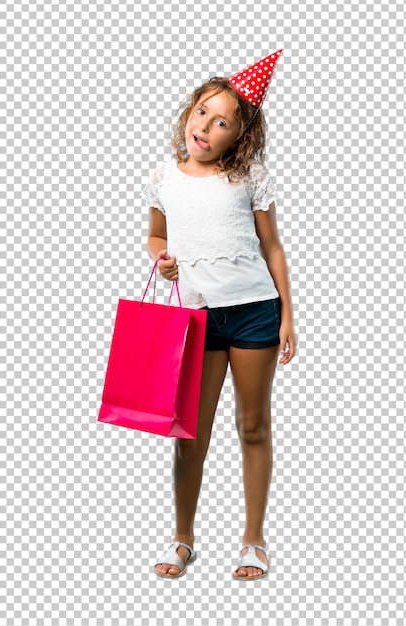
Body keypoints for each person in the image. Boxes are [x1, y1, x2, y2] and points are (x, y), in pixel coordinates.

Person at [143, 50, 296, 580]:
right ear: (189, 111)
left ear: (240, 136)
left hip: (254, 312)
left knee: (253, 426)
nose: (206, 126)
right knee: (191, 435)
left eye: (222, 121)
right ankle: (183, 538)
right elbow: (157, 235)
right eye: (201, 112)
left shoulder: (249, 174)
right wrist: (161, 259)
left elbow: (272, 246)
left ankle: (253, 540)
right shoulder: (165, 176)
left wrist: (288, 317)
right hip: (196, 320)